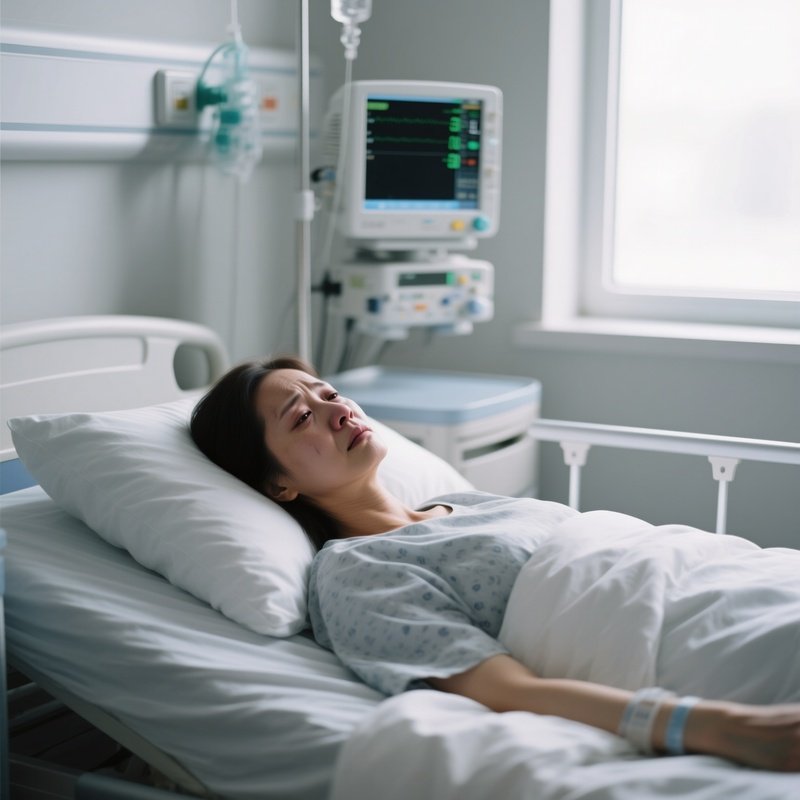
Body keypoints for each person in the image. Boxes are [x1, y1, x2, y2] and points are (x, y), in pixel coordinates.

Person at [190, 356, 800, 774]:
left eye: (328, 393)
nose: (335, 409)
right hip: (684, 635)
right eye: (302, 417)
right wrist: (712, 727)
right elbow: (507, 692)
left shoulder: (469, 503)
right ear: (277, 485)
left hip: (725, 577)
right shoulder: (356, 571)